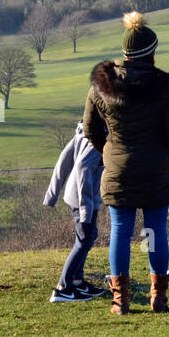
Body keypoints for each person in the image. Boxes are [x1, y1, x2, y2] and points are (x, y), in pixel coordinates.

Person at [83, 11, 169, 314]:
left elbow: (90, 129)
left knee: (120, 230)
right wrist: (167, 159)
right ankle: (159, 297)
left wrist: (110, 154)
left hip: (119, 172)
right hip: (157, 170)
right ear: (151, 52)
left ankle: (121, 300)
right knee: (155, 230)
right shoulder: (164, 90)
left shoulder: (101, 87)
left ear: (125, 53)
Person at [43, 120, 106, 303]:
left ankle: (77, 282)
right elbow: (82, 168)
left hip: (79, 196)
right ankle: (63, 287)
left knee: (89, 236)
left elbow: (64, 159)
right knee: (84, 240)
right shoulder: (98, 140)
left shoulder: (84, 131)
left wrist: (52, 194)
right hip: (84, 199)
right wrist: (86, 209)